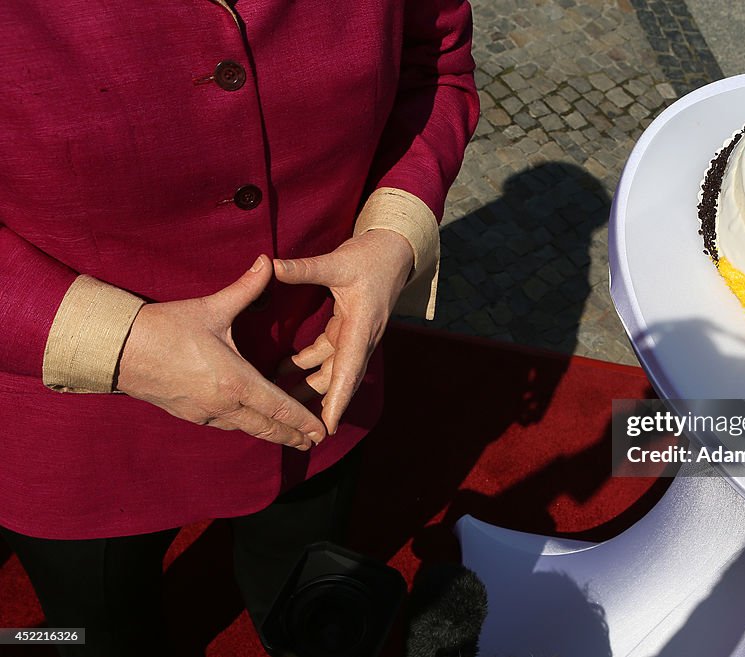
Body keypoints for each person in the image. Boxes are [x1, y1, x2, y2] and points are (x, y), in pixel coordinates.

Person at [0, 1, 479, 655]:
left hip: (317, 373)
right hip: (77, 433)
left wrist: (395, 231)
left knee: (310, 617)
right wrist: (118, 345)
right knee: (93, 635)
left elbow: (435, 63)